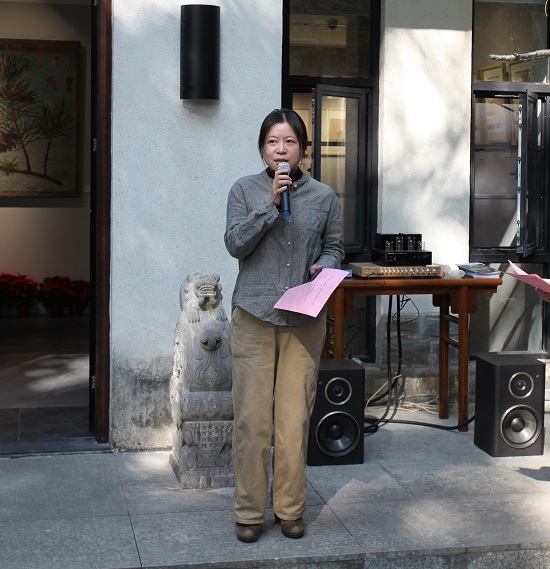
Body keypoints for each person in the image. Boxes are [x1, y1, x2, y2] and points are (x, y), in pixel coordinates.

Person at [224, 108, 344, 543]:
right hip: (254, 316)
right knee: (252, 420)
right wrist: (270, 205)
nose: (281, 150)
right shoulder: (244, 190)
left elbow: (335, 247)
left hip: (303, 318)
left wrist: (325, 263)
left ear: (303, 150)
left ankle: (290, 509)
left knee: (293, 421)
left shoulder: (325, 197)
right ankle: (249, 512)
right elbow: (235, 244)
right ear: (262, 149)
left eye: (290, 141)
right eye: (273, 141)